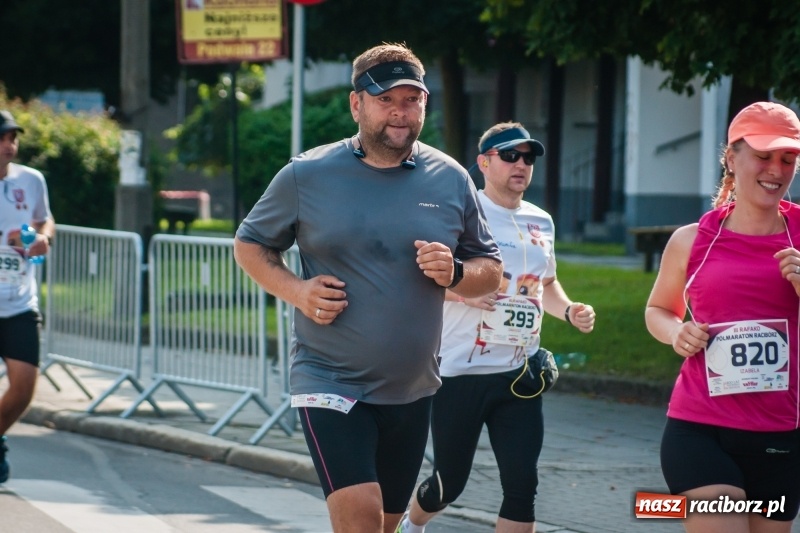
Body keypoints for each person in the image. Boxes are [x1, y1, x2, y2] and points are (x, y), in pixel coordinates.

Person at [233, 43, 503, 533]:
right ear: (357, 104)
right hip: (330, 380)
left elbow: (490, 267)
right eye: (387, 100)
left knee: (385, 523)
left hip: (411, 389)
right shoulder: (307, 174)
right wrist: (298, 292)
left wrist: (456, 275)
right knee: (359, 518)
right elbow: (250, 244)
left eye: (412, 100)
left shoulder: (450, 178)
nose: (401, 113)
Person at [398, 122, 596, 533]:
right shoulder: (463, 212)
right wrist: (464, 295)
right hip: (460, 373)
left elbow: (546, 283)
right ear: (484, 163)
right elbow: (420, 278)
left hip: (519, 372)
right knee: (450, 484)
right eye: (510, 156)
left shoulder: (541, 220)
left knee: (523, 485)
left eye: (528, 158)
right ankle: (412, 525)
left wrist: (570, 309)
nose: (521, 164)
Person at [645, 101, 800, 532]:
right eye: (764, 156)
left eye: (788, 159)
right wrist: (677, 332)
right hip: (699, 429)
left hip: (781, 435)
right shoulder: (692, 240)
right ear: (732, 158)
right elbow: (658, 310)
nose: (776, 170)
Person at [0, 110, 55, 483]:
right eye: (3, 138)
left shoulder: (31, 180)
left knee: (23, 387)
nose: (10, 144)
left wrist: (40, 237)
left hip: (19, 301)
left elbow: (42, 220)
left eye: (13, 137)